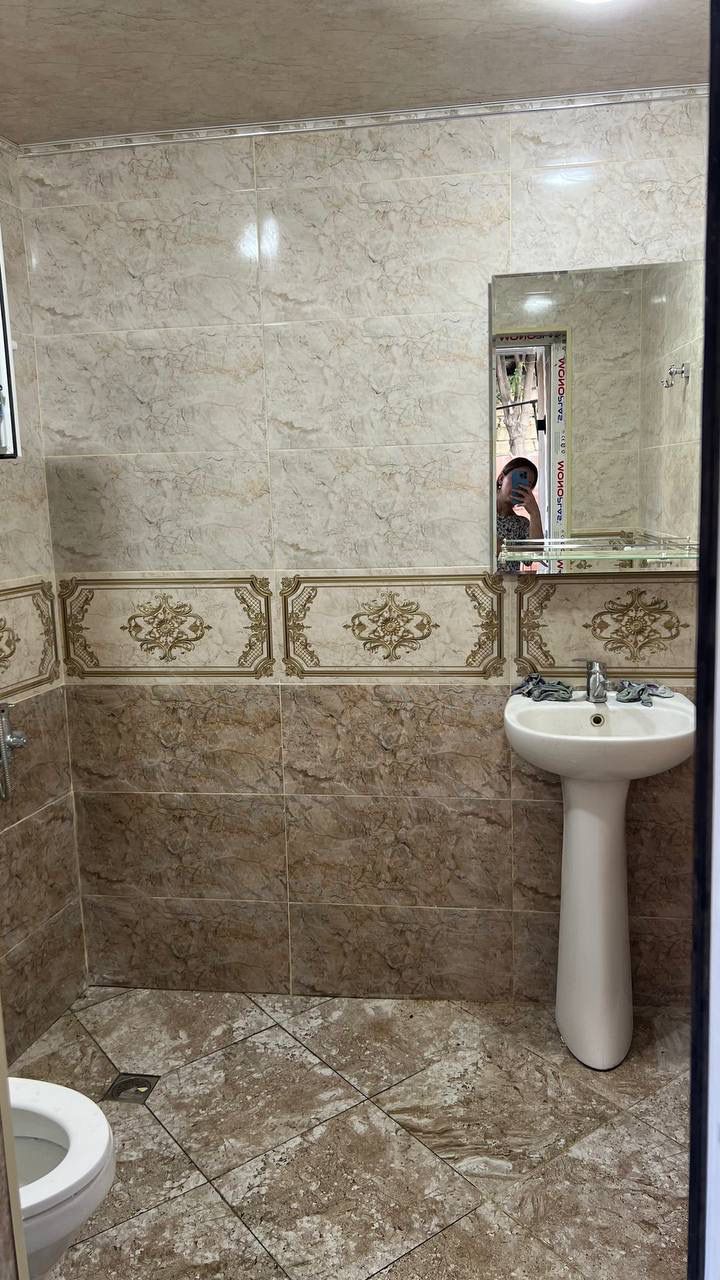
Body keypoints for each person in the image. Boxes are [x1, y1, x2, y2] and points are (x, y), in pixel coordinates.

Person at [496, 457, 544, 572]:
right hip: (476, 580)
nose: (520, 487)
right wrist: (518, 550)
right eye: (517, 479)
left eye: (527, 485)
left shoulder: (521, 524)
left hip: (509, 582)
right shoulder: (480, 511)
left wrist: (534, 512)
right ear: (501, 478)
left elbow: (535, 554)